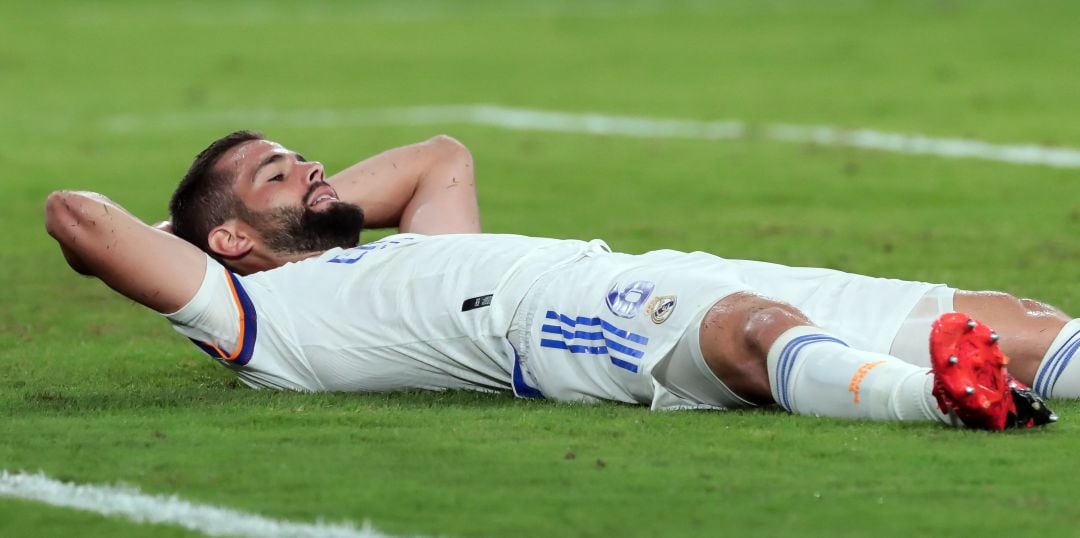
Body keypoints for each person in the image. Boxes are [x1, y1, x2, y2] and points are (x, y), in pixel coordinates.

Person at [45, 131, 1074, 431]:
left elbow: (438, 158)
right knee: (754, 331)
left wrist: (298, 209)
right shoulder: (255, 316)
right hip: (555, 324)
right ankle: (938, 402)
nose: (315, 169)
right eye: (283, 173)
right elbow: (76, 217)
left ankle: (978, 364)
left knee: (1002, 316)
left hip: (633, 268)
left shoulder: (379, 251)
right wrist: (192, 240)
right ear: (224, 241)